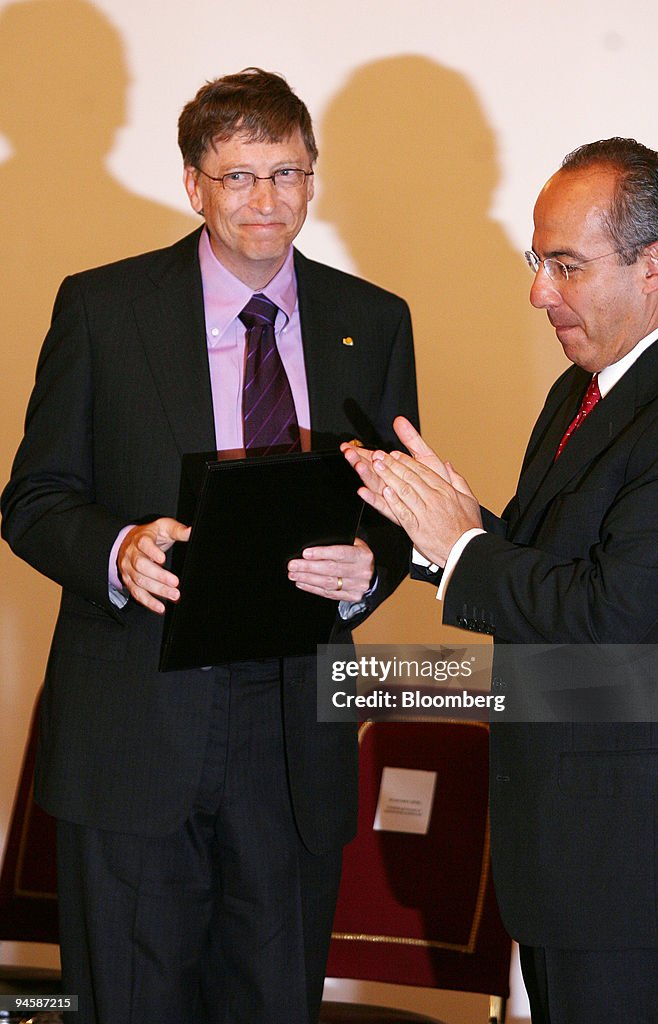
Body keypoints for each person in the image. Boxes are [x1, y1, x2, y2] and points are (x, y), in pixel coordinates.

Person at [1, 68, 418, 1024]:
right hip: (134, 731)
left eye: (287, 173)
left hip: (292, 731)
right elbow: (33, 498)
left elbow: (395, 508)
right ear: (194, 184)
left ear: (313, 180)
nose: (265, 200)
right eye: (238, 177)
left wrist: (371, 570)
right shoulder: (102, 310)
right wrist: (118, 548)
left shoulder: (372, 320)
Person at [343, 138, 658, 1024]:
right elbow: (545, 561)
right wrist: (427, 526)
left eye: (564, 265)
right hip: (572, 861)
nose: (537, 292)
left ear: (653, 266)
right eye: (536, 260)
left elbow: (610, 616)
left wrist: (467, 547)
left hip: (643, 875)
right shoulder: (587, 386)